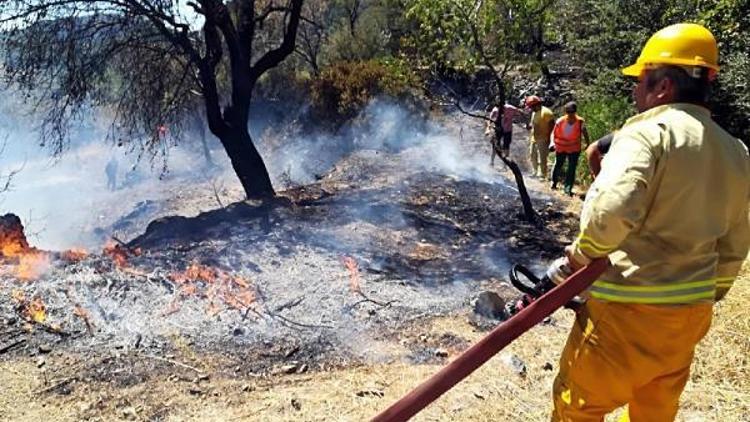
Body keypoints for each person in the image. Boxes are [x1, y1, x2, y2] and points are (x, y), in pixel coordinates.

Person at [545, 23, 750, 421]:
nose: (635, 93)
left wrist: (581, 257)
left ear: (663, 88)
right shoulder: (736, 151)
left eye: (639, 82)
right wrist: (710, 290)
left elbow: (612, 209)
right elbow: (737, 240)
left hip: (627, 310)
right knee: (653, 413)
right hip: (689, 316)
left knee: (577, 409)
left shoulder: (647, 134)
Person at [551, 101, 590, 196]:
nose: (570, 114)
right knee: (558, 165)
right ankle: (554, 182)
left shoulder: (580, 121)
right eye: (568, 111)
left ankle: (568, 188)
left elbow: (584, 132)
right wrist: (552, 143)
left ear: (575, 111)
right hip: (561, 147)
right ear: (565, 111)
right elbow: (553, 133)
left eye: (572, 111)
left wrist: (588, 143)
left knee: (571, 168)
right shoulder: (560, 121)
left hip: (574, 148)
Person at [525, 95, 555, 179]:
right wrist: (529, 127)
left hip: (543, 138)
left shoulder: (546, 113)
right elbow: (534, 124)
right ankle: (535, 171)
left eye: (531, 106)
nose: (530, 108)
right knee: (532, 155)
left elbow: (552, 127)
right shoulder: (534, 112)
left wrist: (550, 139)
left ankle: (542, 174)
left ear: (536, 104)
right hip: (534, 138)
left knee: (542, 158)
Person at [485, 100, 523, 165]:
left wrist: (519, 119)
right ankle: (492, 162)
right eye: (497, 108)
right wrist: (488, 129)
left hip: (508, 129)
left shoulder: (510, 108)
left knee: (506, 146)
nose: (499, 110)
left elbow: (520, 112)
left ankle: (505, 164)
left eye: (500, 108)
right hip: (498, 129)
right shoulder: (495, 110)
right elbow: (489, 120)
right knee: (495, 145)